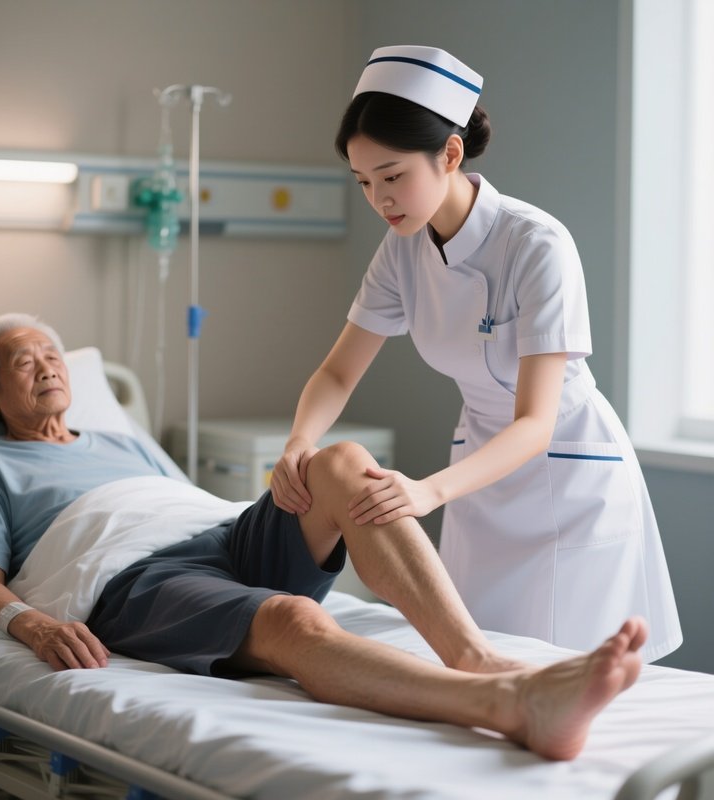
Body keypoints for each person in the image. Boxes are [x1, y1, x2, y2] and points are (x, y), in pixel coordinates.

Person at [0, 312, 648, 762]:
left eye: (52, 354)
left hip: (222, 532)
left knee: (341, 462)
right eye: (25, 361)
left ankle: (476, 659)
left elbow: (180, 498)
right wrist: (32, 624)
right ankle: (511, 709)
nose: (50, 366)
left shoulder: (123, 440)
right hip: (132, 579)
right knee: (292, 617)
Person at [270, 45, 682, 662]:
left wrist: (429, 492)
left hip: (564, 475)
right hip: (478, 479)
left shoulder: (536, 244)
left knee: (569, 665)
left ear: (451, 154)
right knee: (478, 659)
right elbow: (337, 370)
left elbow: (535, 423)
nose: (381, 200)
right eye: (364, 183)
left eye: (392, 176)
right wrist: (299, 441)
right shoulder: (402, 250)